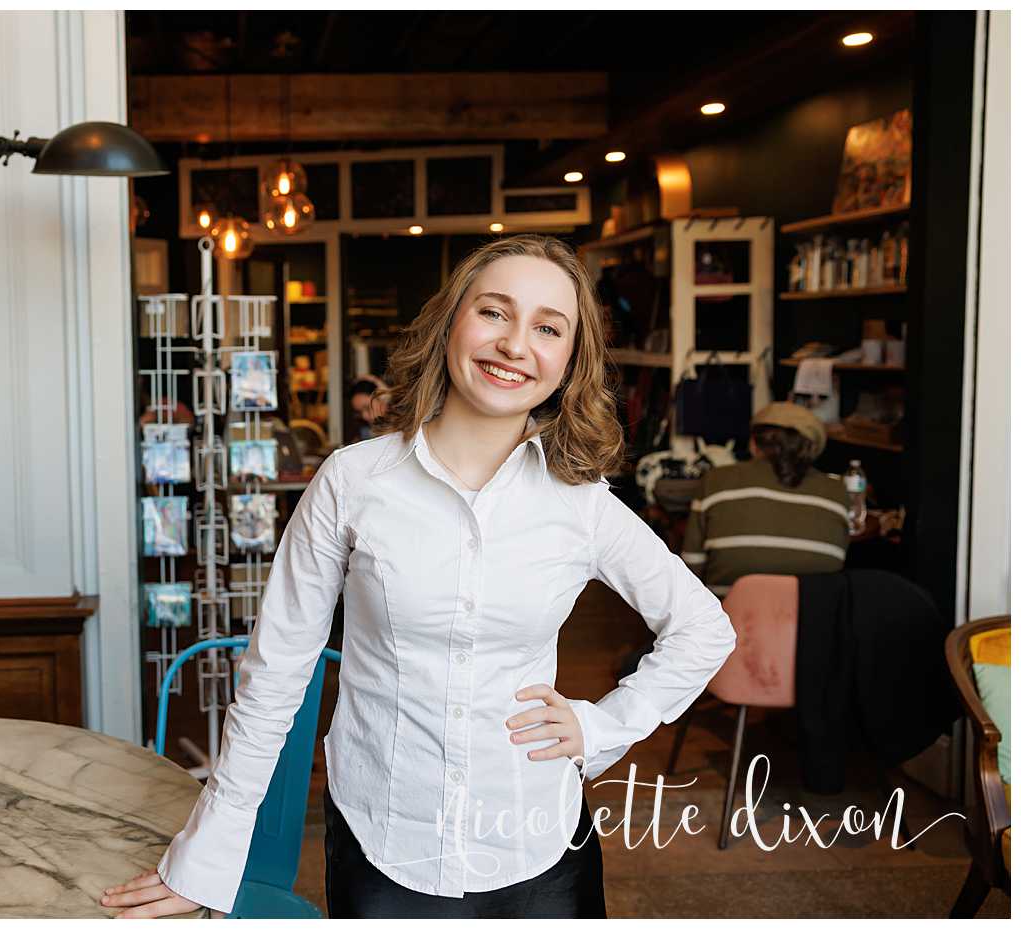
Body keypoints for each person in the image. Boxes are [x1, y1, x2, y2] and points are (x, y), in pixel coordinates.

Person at [100, 235, 734, 918]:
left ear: (570, 361)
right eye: (494, 312)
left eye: (548, 327)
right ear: (451, 322)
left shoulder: (579, 501)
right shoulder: (352, 480)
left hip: (538, 845)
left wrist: (603, 725)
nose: (516, 344)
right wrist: (205, 857)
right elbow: (276, 674)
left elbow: (703, 628)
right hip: (383, 839)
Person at [680, 402, 850, 597]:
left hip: (728, 620)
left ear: (753, 444)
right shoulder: (838, 491)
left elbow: (691, 568)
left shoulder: (715, 480)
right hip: (812, 622)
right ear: (812, 449)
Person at [349, 375, 390, 442]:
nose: (364, 416)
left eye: (367, 408)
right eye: (359, 413)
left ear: (382, 397)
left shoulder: (404, 424)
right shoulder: (365, 431)